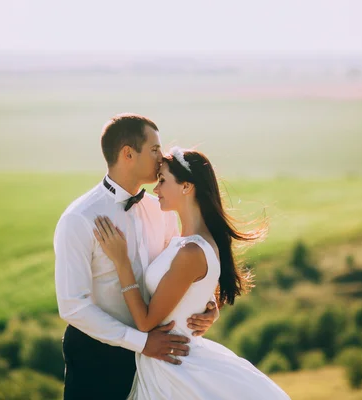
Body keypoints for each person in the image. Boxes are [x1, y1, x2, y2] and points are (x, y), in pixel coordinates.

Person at [93, 147, 291, 399]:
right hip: (166, 362)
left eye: (163, 181)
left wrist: (120, 262)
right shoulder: (186, 241)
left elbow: (145, 322)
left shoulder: (190, 251)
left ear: (187, 186)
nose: (156, 190)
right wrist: (208, 306)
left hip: (173, 369)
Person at [54, 114, 219, 400]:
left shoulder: (163, 209)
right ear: (128, 154)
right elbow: (72, 306)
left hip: (158, 358)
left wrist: (206, 302)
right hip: (97, 358)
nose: (161, 157)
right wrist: (140, 342)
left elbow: (180, 267)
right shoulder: (79, 218)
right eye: (155, 149)